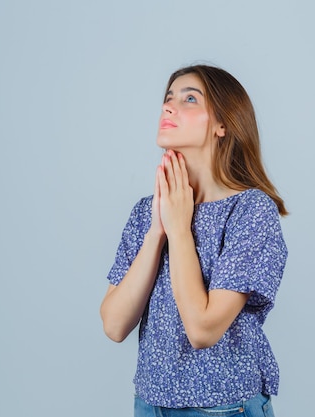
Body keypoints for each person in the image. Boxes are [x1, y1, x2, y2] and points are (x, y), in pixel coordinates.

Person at [100, 65, 288, 417]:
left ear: (223, 125)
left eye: (189, 99)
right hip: (150, 404)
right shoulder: (147, 213)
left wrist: (180, 229)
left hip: (223, 408)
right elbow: (113, 324)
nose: (168, 107)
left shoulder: (251, 211)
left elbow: (202, 329)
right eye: (168, 98)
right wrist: (158, 230)